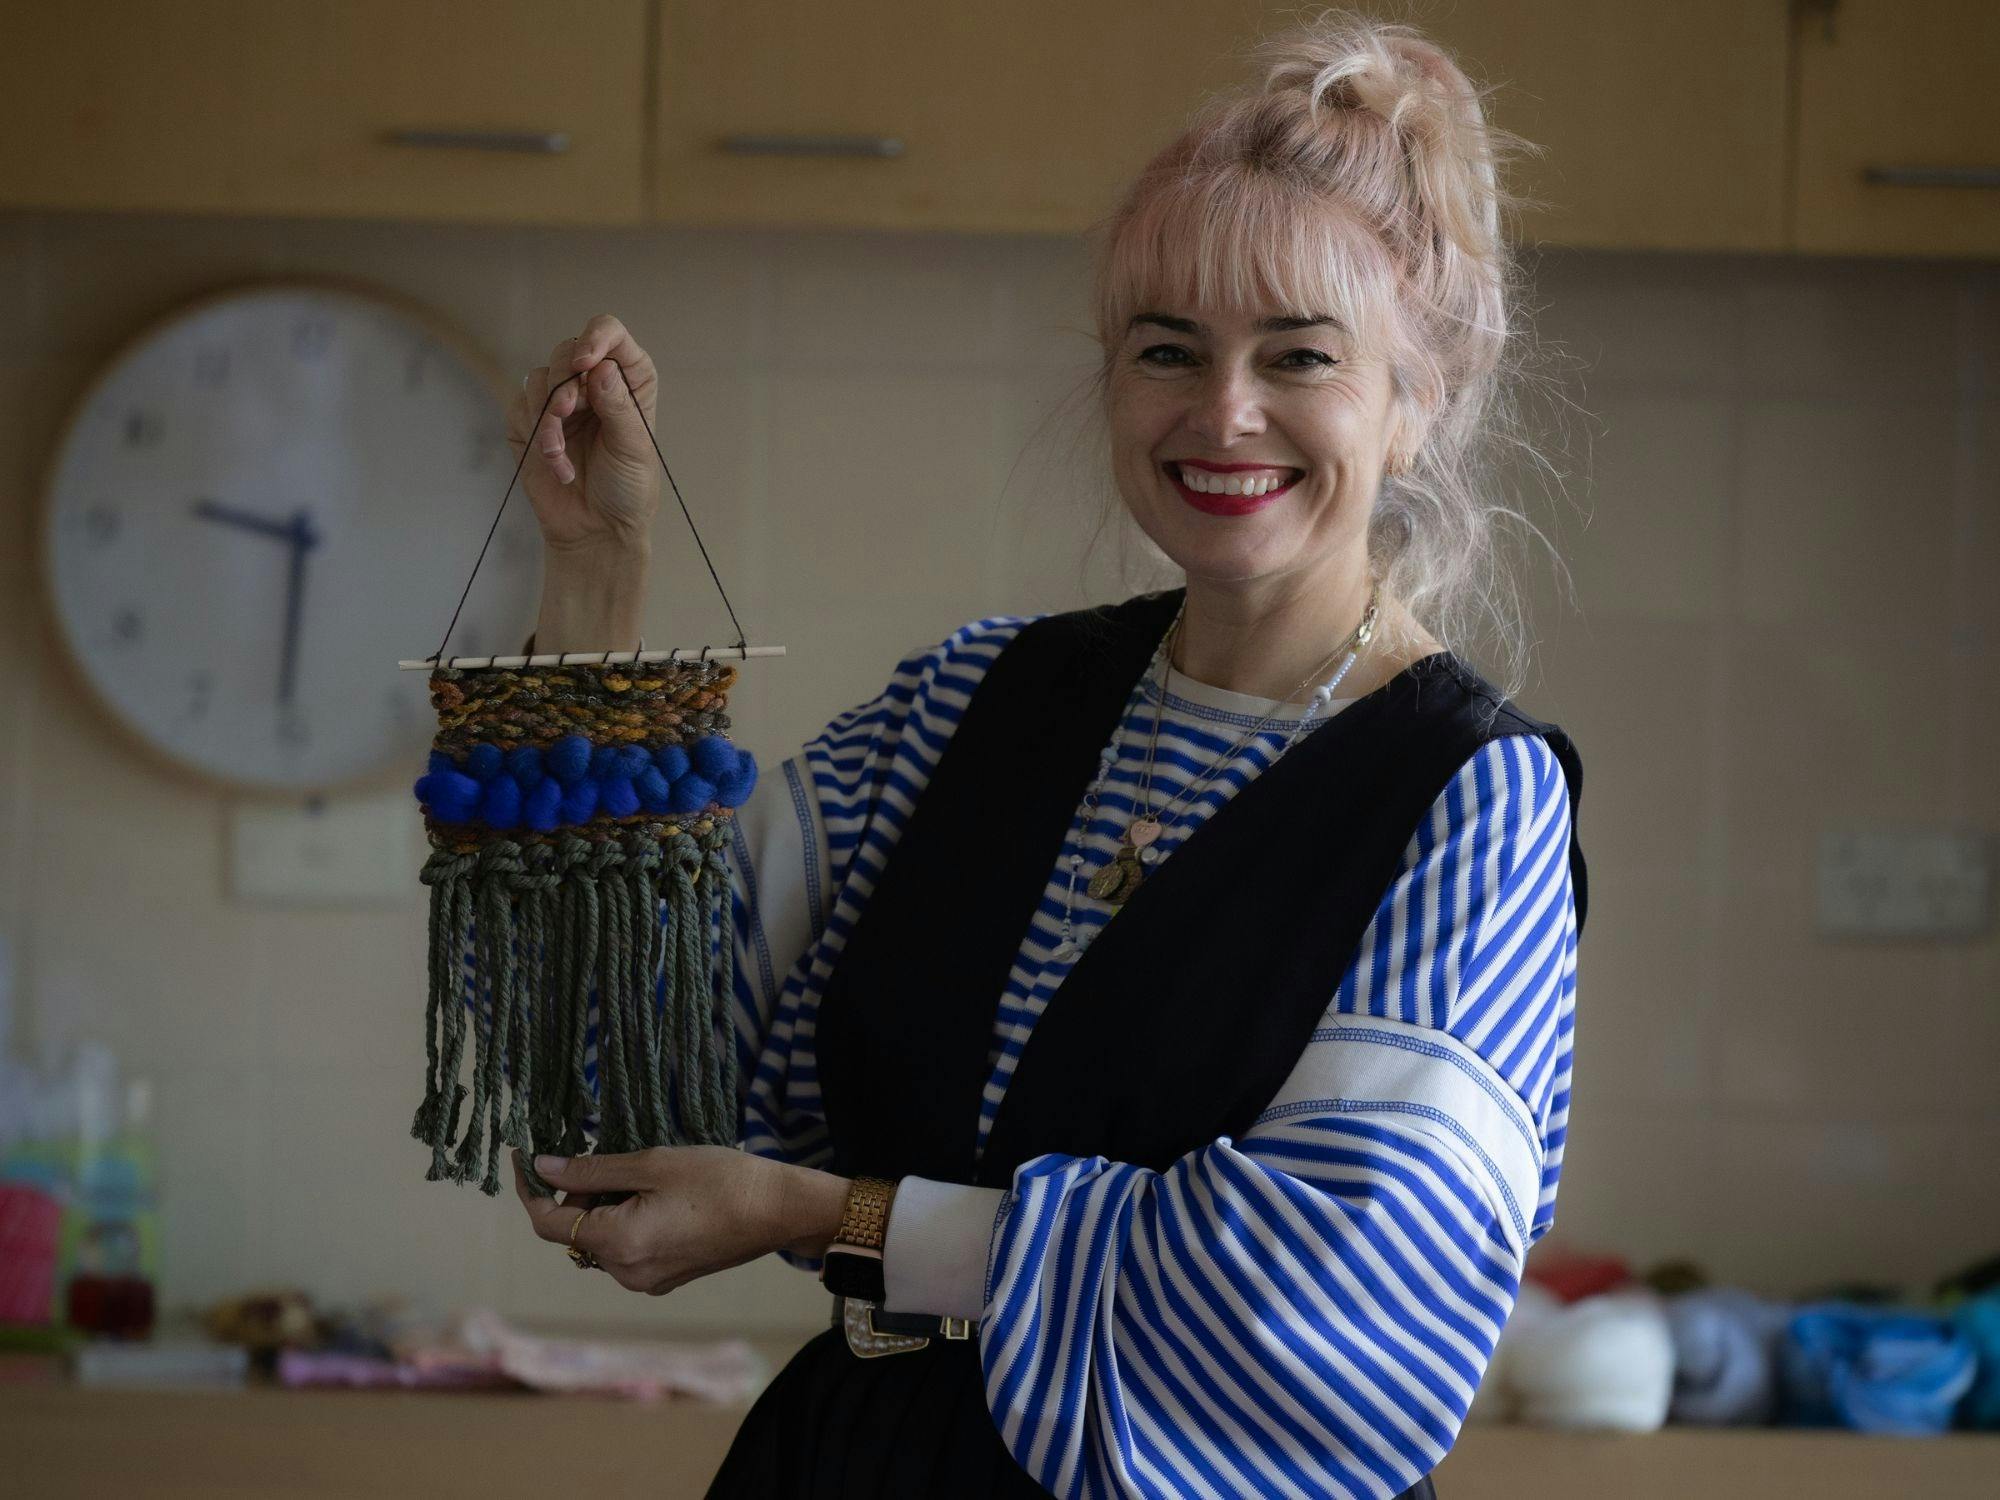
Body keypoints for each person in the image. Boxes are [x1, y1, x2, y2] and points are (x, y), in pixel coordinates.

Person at [491, 11, 1586, 1497]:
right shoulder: (972, 702)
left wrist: (820, 1211)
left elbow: (1324, 1305)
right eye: (1167, 350)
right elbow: (608, 1078)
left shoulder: (1470, 799)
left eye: (1301, 355)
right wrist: (596, 571)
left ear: (1416, 405)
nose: (1224, 412)